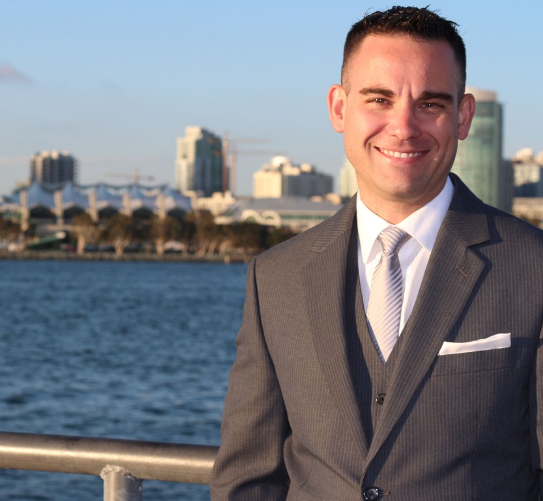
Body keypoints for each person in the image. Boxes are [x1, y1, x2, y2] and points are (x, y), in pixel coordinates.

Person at [210, 6, 543, 501]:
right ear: (339, 109)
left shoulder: (533, 268)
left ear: (464, 115)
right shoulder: (274, 277)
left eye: (430, 103)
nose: (403, 126)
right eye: (379, 99)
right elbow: (248, 479)